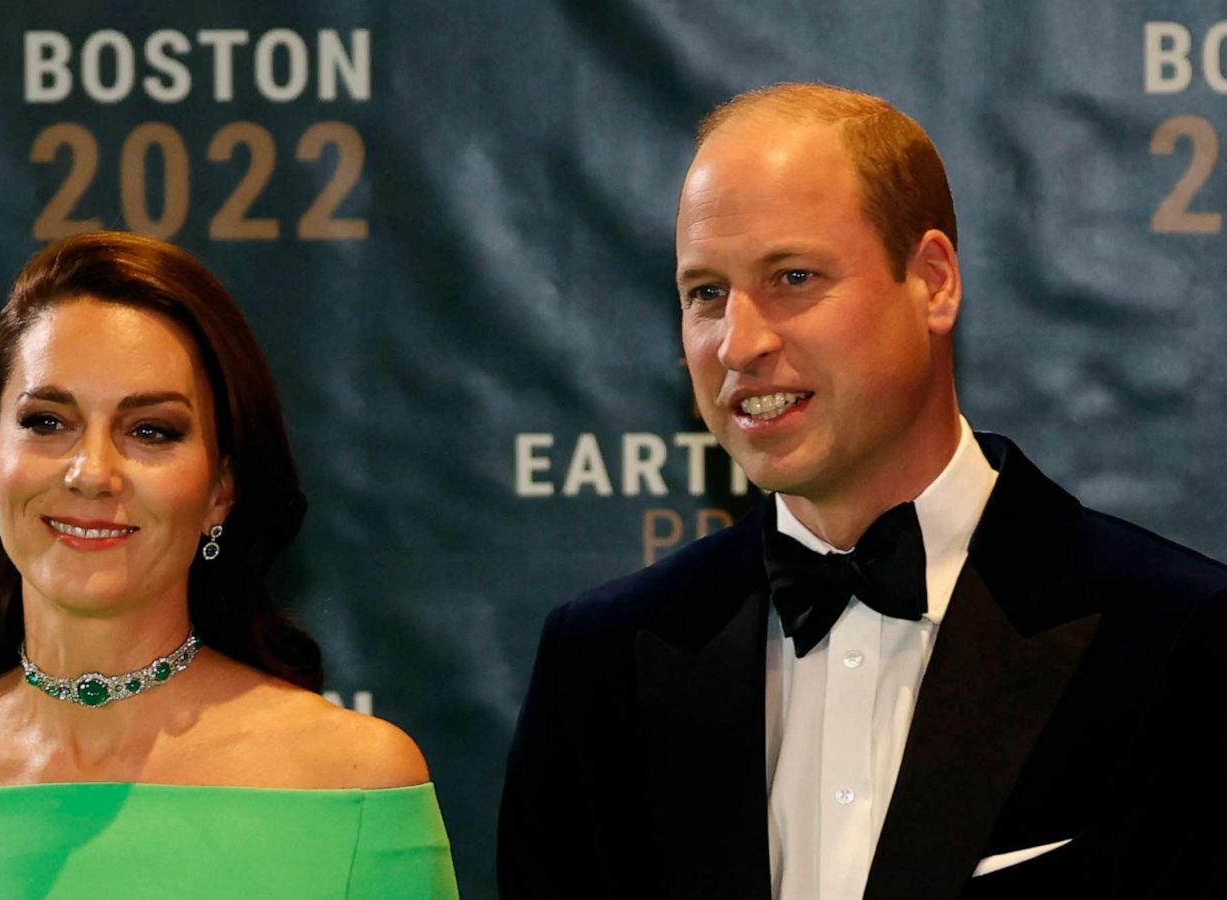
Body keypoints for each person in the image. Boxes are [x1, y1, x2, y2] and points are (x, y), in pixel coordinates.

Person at [499, 83, 1227, 899]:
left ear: (934, 283)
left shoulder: (1180, 640)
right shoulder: (599, 660)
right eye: (706, 293)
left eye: (794, 276)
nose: (739, 343)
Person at [0, 231, 459, 899]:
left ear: (221, 489)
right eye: (47, 421)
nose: (91, 472)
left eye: (150, 431)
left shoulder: (357, 787)